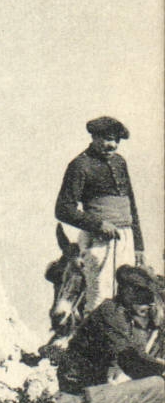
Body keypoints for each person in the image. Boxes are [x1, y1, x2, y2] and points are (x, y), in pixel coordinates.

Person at [54, 265, 165, 403]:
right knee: (157, 387)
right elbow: (132, 362)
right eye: (143, 293)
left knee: (153, 386)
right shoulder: (110, 313)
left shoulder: (119, 315)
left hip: (88, 396)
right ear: (127, 291)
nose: (148, 300)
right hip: (78, 402)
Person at [54, 116, 146, 327]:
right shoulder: (80, 165)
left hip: (126, 240)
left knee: (126, 299)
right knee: (100, 299)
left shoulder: (120, 162)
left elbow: (131, 205)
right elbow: (63, 209)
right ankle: (91, 354)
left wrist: (139, 246)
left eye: (115, 140)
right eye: (106, 139)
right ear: (94, 137)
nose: (111, 145)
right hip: (99, 241)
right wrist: (98, 224)